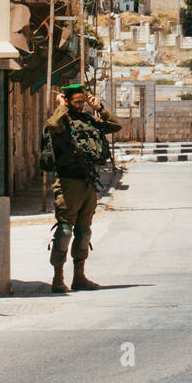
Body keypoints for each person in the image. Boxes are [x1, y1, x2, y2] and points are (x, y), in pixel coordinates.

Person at [43, 83, 122, 294]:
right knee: (65, 229)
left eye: (82, 101)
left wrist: (99, 108)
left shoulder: (89, 120)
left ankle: (79, 277)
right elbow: (51, 125)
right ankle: (58, 278)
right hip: (69, 181)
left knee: (84, 231)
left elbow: (115, 125)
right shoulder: (63, 121)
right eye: (76, 101)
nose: (80, 105)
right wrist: (61, 106)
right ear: (67, 101)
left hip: (88, 181)